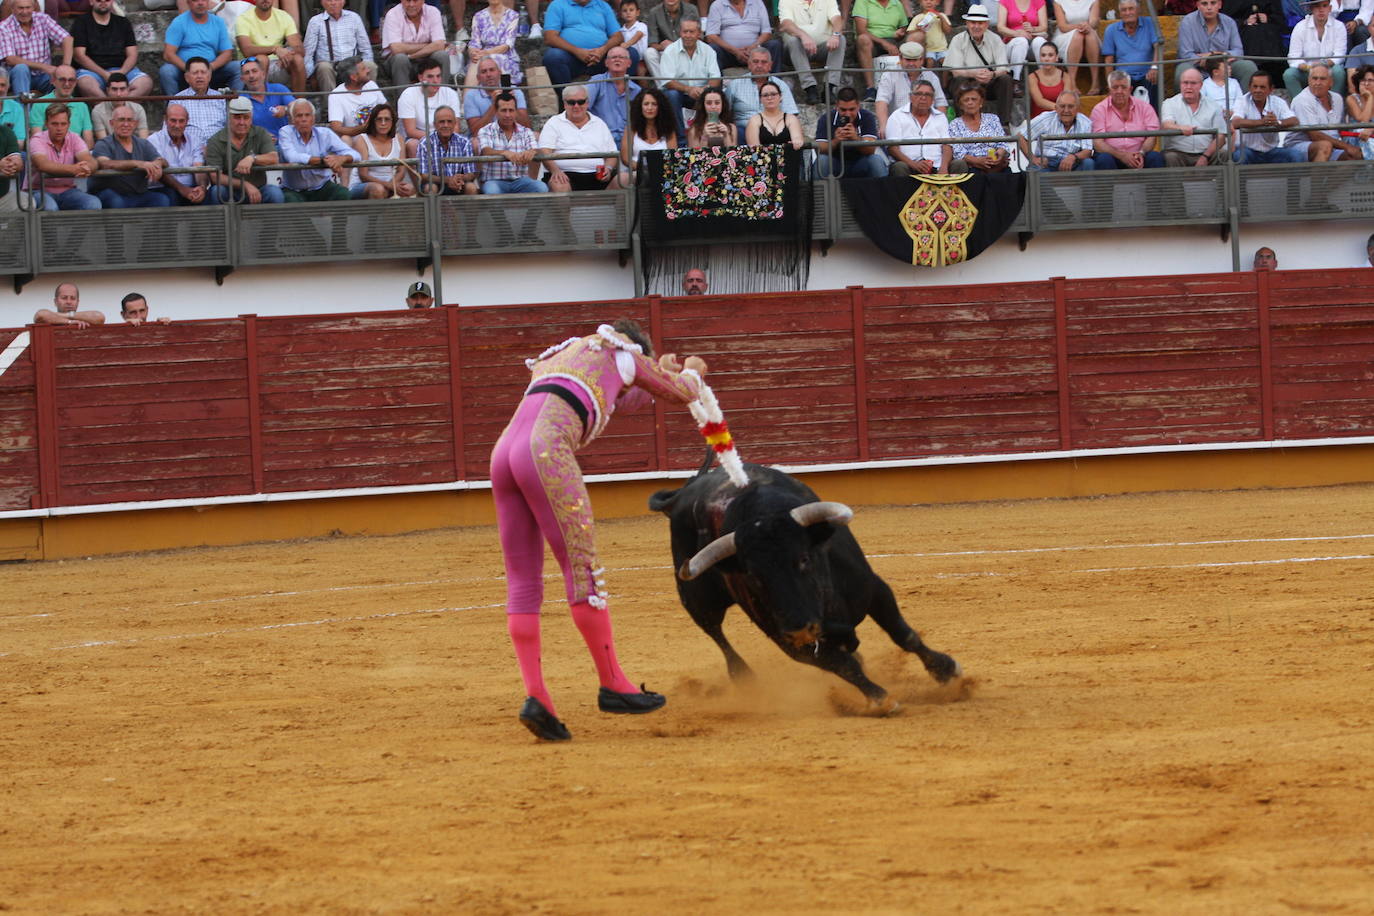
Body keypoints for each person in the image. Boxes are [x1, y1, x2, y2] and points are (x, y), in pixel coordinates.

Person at [490, 319, 706, 741]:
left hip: (503, 456)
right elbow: (682, 393)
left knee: (522, 581)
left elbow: (622, 398)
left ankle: (537, 698)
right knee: (581, 568)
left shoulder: (563, 354)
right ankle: (612, 683)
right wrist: (693, 371)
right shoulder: (624, 353)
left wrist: (658, 368)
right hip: (545, 452)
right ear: (637, 349)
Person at [542, 0, 629, 99]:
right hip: (571, 58)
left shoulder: (602, 5)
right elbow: (550, 37)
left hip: (601, 58)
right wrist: (577, 51)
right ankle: (568, 101)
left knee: (630, 54)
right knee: (553, 56)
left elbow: (618, 36)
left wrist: (602, 50)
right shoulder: (558, 4)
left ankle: (622, 98)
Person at [277, 96, 358, 201]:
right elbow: (291, 157)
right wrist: (322, 161)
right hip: (294, 190)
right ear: (292, 120)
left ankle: (338, 219)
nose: (304, 119)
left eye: (307, 115)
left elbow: (356, 155)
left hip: (322, 187)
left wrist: (341, 158)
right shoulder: (285, 131)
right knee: (290, 200)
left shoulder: (325, 133)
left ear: (313, 119)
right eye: (299, 116)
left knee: (343, 194)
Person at [538, 82, 617, 189]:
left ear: (587, 103)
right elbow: (544, 151)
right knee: (559, 183)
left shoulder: (599, 123)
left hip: (597, 176)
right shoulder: (553, 122)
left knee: (624, 180)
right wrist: (555, 171)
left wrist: (608, 168)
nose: (576, 106)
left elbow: (612, 153)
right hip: (564, 175)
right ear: (564, 104)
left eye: (581, 102)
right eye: (571, 102)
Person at [205, 94, 283, 203]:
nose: (242, 122)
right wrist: (245, 185)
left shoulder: (260, 133)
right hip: (230, 190)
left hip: (258, 189)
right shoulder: (215, 140)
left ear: (251, 118)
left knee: (274, 193)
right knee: (216, 191)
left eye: (246, 117)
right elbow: (215, 177)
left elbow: (273, 158)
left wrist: (252, 158)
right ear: (228, 117)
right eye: (237, 117)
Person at [89, 102, 168, 208]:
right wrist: (138, 164)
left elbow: (163, 161)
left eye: (130, 120)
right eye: (121, 120)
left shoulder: (143, 143)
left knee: (162, 200)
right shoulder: (103, 143)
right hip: (110, 193)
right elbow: (105, 164)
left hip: (137, 194)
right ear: (112, 123)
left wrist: (157, 164)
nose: (126, 124)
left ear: (135, 124)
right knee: (116, 201)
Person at [26, 102, 101, 209]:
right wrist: (74, 169)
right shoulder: (37, 139)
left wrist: (87, 168)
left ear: (69, 124)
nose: (59, 128)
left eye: (63, 124)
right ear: (46, 124)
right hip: (39, 190)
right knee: (50, 208)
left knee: (93, 203)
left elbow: (90, 160)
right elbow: (43, 165)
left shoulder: (74, 137)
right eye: (55, 124)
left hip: (68, 190)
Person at [947, 4, 1013, 124]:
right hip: (967, 81)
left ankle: (1004, 124)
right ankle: (962, 124)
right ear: (967, 23)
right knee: (958, 81)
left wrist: (992, 74)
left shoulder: (995, 39)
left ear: (986, 24)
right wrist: (974, 73)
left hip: (988, 81)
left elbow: (1003, 68)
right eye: (973, 22)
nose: (976, 26)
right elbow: (955, 71)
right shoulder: (958, 39)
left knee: (1005, 79)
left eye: (980, 23)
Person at [161, 0, 242, 95]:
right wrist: (189, 69)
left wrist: (210, 67)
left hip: (212, 69)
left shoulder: (218, 22)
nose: (200, 3)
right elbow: (168, 54)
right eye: (195, 0)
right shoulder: (179, 22)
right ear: (188, 3)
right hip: (184, 70)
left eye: (203, 0)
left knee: (239, 67)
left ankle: (235, 105)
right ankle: (172, 106)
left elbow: (227, 53)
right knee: (166, 71)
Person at [71, 0, 150, 98]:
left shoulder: (123, 22)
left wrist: (121, 73)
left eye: (107, 0)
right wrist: (105, 74)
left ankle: (122, 110)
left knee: (145, 83)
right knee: (86, 84)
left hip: (121, 69)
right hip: (91, 71)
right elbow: (79, 55)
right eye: (99, 0)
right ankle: (109, 110)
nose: (103, 2)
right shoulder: (81, 22)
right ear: (91, 1)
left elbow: (132, 54)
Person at [658, 17, 721, 138]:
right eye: (685, 31)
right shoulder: (670, 51)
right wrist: (688, 89)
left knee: (715, 94)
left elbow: (716, 78)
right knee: (672, 95)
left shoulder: (708, 51)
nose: (688, 35)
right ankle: (680, 139)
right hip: (680, 93)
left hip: (702, 92)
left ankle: (714, 135)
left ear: (699, 33)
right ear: (680, 32)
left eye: (691, 32)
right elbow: (667, 81)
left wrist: (704, 89)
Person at [1284, 63, 1362, 159]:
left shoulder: (1337, 99)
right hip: (1300, 145)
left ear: (1331, 82)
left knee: (1356, 155)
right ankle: (1317, 174)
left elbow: (1341, 129)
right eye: (1314, 78)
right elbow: (1315, 135)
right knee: (1325, 146)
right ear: (1309, 80)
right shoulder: (1301, 100)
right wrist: (1347, 147)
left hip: (1332, 144)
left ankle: (1332, 175)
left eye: (1322, 79)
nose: (1318, 83)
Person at [1090, 68, 1164, 168]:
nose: (1119, 91)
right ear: (1109, 90)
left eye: (1123, 87)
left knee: (1155, 157)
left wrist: (1141, 153)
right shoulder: (1099, 110)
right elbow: (1098, 143)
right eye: (1115, 87)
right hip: (1113, 156)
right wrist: (1122, 156)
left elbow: (1152, 136)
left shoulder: (1145, 107)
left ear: (1130, 89)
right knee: (1103, 159)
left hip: (1139, 155)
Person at [1178, 0, 1257, 92]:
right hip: (1198, 67)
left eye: (1213, 3)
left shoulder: (1229, 22)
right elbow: (1185, 55)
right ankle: (1187, 105)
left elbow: (1239, 52)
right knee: (1183, 69)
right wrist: (1210, 60)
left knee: (1248, 67)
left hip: (1225, 66)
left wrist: (1215, 55)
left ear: (1220, 4)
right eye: (1204, 4)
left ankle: (1243, 104)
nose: (1209, 7)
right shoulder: (1188, 22)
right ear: (1198, 5)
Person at [0, 0, 71, 98]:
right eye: (20, 8)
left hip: (43, 76)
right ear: (13, 9)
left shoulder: (43, 19)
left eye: (28, 7)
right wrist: (44, 67)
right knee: (21, 68)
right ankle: (24, 110)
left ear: (33, 8)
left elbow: (66, 38)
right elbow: (10, 59)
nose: (25, 12)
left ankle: (56, 109)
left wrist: (66, 66)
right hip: (17, 77)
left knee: (62, 76)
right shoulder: (4, 27)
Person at [777, 0, 844, 104]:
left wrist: (835, 35)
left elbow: (837, 18)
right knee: (793, 41)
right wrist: (803, 36)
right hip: (796, 51)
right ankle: (810, 88)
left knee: (841, 39)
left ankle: (829, 88)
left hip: (821, 48)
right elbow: (786, 24)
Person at [477, 90, 543, 193]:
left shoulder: (526, 131)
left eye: (511, 110)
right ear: (496, 111)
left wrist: (532, 152)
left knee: (541, 188)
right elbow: (486, 151)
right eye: (503, 110)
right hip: (494, 181)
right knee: (492, 191)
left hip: (520, 181)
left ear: (516, 112)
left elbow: (536, 150)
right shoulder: (485, 130)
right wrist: (504, 153)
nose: (508, 115)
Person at [1231, 69, 1304, 162]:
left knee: (1296, 156)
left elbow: (1294, 120)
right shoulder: (1242, 101)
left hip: (1272, 151)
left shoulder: (1278, 102)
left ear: (1271, 89)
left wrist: (1277, 122)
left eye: (1262, 87)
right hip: (1248, 151)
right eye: (1255, 87)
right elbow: (1235, 122)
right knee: (1239, 156)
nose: (1258, 90)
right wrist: (1262, 122)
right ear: (1249, 88)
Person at [814, 85, 885, 177]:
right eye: (843, 110)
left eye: (852, 109)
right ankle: (818, 192)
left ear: (858, 106)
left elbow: (871, 150)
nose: (848, 114)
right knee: (822, 161)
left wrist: (855, 138)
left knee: (876, 160)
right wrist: (835, 141)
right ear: (836, 107)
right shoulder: (826, 118)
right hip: (835, 162)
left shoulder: (867, 117)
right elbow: (819, 150)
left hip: (860, 163)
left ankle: (883, 191)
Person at [874, 40, 945, 133]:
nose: (911, 64)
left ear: (921, 60)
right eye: (908, 60)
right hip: (897, 126)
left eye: (914, 60)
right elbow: (881, 102)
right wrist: (884, 125)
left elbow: (940, 104)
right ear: (900, 58)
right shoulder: (889, 75)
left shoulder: (931, 76)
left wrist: (939, 126)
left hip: (926, 126)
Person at [1161, 68, 1226, 166]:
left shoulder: (1213, 105)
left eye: (1193, 83)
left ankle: (1219, 182)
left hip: (1206, 152)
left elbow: (1221, 136)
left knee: (1223, 154)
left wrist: (1205, 156)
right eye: (1185, 83)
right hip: (1179, 153)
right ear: (1180, 85)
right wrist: (1181, 128)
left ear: (1201, 85)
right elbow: (1166, 124)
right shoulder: (1169, 103)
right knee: (1170, 157)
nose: (1188, 87)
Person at [303, 0, 371, 93]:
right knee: (324, 67)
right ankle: (330, 104)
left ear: (343, 2)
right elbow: (308, 52)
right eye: (329, 0)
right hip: (330, 64)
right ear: (322, 2)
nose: (333, 3)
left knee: (370, 66)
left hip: (352, 63)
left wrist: (365, 65)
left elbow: (365, 48)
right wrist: (310, 75)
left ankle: (368, 101)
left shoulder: (354, 18)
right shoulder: (315, 21)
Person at [235, 0, 305, 91]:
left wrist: (286, 54)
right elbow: (246, 50)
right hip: (251, 66)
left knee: (297, 59)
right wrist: (275, 49)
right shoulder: (244, 18)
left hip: (278, 64)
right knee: (262, 59)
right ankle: (261, 101)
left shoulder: (283, 16)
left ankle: (298, 102)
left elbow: (299, 48)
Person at [349, 102, 415, 198]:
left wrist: (393, 184)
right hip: (363, 185)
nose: (383, 123)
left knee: (410, 189)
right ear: (373, 121)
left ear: (392, 122)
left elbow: (401, 171)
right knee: (378, 190)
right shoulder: (362, 139)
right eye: (379, 119)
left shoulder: (399, 138)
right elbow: (363, 175)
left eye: (387, 119)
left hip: (390, 183)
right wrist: (389, 185)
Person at [726, 46, 798, 133]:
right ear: (749, 64)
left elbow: (791, 114)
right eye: (755, 62)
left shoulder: (781, 85)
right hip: (743, 130)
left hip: (773, 131)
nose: (759, 65)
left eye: (764, 62)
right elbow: (725, 113)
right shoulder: (735, 85)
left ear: (770, 65)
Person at [1019, 88, 1094, 170]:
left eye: (1070, 106)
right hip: (1047, 163)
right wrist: (1033, 159)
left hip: (1072, 163)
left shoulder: (1085, 122)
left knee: (1088, 163)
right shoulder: (1045, 118)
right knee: (1035, 169)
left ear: (1078, 109)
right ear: (1056, 108)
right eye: (1062, 106)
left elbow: (1087, 151)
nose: (1066, 110)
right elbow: (1020, 137)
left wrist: (1073, 157)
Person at [398, 56, 459, 156]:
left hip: (445, 134)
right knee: (413, 145)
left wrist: (443, 138)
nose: (436, 81)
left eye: (438, 76)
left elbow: (456, 126)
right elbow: (411, 131)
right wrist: (437, 139)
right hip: (417, 137)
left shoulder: (450, 93)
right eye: (430, 77)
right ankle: (419, 172)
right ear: (421, 78)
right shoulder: (408, 94)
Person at [148, 102, 208, 205]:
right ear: (165, 120)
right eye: (173, 121)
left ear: (187, 122)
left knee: (208, 196)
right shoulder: (154, 140)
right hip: (164, 188)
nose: (177, 125)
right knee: (171, 195)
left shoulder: (195, 140)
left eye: (181, 121)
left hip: (190, 189)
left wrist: (202, 188)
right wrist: (183, 190)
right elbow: (160, 173)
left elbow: (199, 169)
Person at [1101, 0, 1159, 105]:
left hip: (1147, 74)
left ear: (1138, 10)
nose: (1128, 13)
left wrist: (1154, 67)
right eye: (1124, 10)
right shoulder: (1111, 30)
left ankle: (1153, 119)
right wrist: (1110, 84)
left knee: (1153, 81)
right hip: (1124, 77)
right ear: (1119, 13)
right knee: (1120, 87)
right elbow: (1109, 60)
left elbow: (1158, 47)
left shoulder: (1150, 23)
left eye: (1131, 8)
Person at [885, 80, 949, 174]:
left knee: (959, 165)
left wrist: (944, 167)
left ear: (933, 99)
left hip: (936, 166)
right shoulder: (897, 116)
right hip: (908, 166)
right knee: (899, 167)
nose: (923, 98)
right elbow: (892, 148)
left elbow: (947, 145)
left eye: (928, 95)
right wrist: (914, 164)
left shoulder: (941, 117)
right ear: (910, 97)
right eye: (918, 94)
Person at [1285, 0, 1346, 97]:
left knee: (1338, 71)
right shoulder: (1300, 27)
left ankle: (1334, 105)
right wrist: (1308, 68)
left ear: (1330, 8)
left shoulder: (1339, 26)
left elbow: (1340, 56)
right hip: (1307, 70)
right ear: (1311, 9)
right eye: (1317, 7)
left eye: (1324, 6)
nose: (1321, 10)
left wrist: (1323, 65)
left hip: (1329, 70)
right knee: (1289, 74)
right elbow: (1293, 57)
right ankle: (1301, 107)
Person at [852, 0, 911, 99]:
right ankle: (870, 89)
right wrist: (884, 43)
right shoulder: (862, 2)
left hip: (892, 40)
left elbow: (903, 26)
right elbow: (861, 30)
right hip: (871, 40)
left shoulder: (896, 3)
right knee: (863, 39)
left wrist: (901, 33)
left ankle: (906, 88)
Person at [381, 0, 447, 86]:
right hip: (397, 62)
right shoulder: (392, 14)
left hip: (424, 59)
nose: (411, 4)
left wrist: (411, 56)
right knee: (400, 59)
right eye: (408, 0)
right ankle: (404, 98)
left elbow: (440, 45)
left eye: (415, 0)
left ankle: (443, 95)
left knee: (442, 56)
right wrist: (429, 45)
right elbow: (396, 49)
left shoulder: (433, 12)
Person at [947, 83, 1010, 172]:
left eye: (974, 99)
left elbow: (1003, 143)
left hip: (995, 165)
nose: (970, 102)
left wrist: (999, 154)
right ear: (960, 105)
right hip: (971, 167)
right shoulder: (955, 124)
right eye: (966, 100)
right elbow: (958, 152)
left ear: (980, 103)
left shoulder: (993, 119)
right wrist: (978, 161)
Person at [704, 0, 780, 74]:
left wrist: (753, 47)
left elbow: (767, 32)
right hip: (728, 52)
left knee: (774, 45)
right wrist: (735, 51)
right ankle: (716, 85)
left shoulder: (757, 3)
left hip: (755, 51)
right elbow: (711, 36)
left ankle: (774, 83)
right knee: (713, 48)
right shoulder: (717, 5)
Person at [416, 104, 477, 195]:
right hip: (436, 184)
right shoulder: (425, 143)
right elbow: (424, 176)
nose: (446, 125)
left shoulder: (464, 142)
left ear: (454, 124)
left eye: (449, 121)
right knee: (431, 187)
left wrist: (458, 179)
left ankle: (469, 210)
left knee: (471, 187)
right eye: (441, 122)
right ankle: (433, 210)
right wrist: (448, 180)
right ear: (435, 124)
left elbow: (471, 173)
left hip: (459, 184)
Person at [620, 86, 677, 183]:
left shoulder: (669, 130)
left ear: (660, 107)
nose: (650, 108)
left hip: (662, 173)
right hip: (636, 172)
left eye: (654, 104)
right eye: (646, 104)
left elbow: (672, 157)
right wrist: (645, 169)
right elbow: (625, 158)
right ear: (640, 106)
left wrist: (657, 171)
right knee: (622, 178)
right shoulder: (631, 128)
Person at [463, 56, 530, 136]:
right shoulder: (471, 96)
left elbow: (526, 127)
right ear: (478, 78)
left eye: (492, 70)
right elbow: (475, 132)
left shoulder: (515, 91)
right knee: (475, 143)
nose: (488, 74)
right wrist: (494, 105)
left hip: (512, 135)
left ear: (499, 73)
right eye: (484, 72)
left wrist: (512, 104)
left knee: (536, 136)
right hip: (486, 137)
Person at [27, 64, 92, 147]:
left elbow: (88, 142)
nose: (67, 84)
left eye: (71, 80)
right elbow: (37, 139)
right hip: (48, 153)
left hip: (76, 154)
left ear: (75, 83)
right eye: (62, 80)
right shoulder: (40, 103)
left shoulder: (82, 106)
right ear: (53, 81)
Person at [584, 45, 639, 143]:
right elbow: (583, 108)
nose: (617, 59)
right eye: (613, 57)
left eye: (621, 57)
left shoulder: (637, 90)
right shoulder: (596, 82)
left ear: (629, 63)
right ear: (606, 63)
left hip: (629, 140)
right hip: (601, 139)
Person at [1224, 0, 1286, 86]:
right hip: (1243, 34)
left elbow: (1280, 20)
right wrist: (1244, 22)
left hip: (1269, 35)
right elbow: (1226, 20)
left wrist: (1268, 18)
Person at [466, 0, 522, 89]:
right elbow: (474, 42)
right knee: (475, 61)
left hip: (505, 55)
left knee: (485, 61)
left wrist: (486, 53)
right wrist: (473, 53)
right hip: (483, 55)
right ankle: (467, 100)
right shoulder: (478, 16)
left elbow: (507, 45)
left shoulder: (513, 16)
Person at [1051, 0, 1102, 95]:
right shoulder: (1058, 1)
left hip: (1088, 31)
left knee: (1090, 35)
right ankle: (1072, 83)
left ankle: (1096, 82)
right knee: (1078, 35)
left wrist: (1088, 26)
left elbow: (1094, 22)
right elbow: (1063, 26)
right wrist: (1079, 27)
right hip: (1065, 34)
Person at [173, 57, 229, 140]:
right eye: (195, 73)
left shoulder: (221, 99)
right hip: (189, 148)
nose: (199, 76)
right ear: (187, 77)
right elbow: (171, 130)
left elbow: (229, 127)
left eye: (203, 72)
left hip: (218, 149)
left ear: (209, 76)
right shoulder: (177, 100)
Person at [326, 57, 382, 138]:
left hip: (378, 135)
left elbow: (387, 108)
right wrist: (362, 128)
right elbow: (336, 128)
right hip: (355, 139)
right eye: (363, 69)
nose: (368, 70)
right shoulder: (336, 95)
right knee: (345, 139)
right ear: (354, 77)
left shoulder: (371, 85)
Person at [239, 55, 292, 135]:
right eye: (247, 73)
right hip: (257, 145)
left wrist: (286, 110)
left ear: (263, 74)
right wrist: (261, 139)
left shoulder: (278, 89)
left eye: (254, 71)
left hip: (285, 143)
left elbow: (299, 107)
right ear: (242, 79)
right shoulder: (241, 100)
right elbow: (239, 129)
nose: (251, 76)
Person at [643, 0, 699, 78]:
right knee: (649, 53)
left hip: (686, 48)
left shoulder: (691, 9)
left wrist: (675, 46)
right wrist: (663, 47)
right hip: (665, 51)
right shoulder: (654, 12)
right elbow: (652, 42)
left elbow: (697, 36)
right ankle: (663, 85)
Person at [996, 0, 1048, 83]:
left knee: (1040, 41)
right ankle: (1015, 80)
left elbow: (1044, 27)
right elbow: (1000, 27)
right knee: (1021, 41)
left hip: (1032, 41)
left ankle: (1046, 78)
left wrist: (1033, 29)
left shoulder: (1039, 1)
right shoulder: (1005, 1)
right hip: (1012, 43)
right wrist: (1017, 33)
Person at [745, 79, 803, 148]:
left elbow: (797, 139)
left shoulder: (791, 119)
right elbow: (754, 147)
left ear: (780, 97)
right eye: (765, 95)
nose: (769, 98)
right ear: (760, 99)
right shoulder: (754, 120)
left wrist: (797, 142)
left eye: (773, 94)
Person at [90, 71, 147, 139]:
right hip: (109, 148)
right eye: (114, 89)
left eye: (122, 89)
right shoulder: (98, 111)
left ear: (128, 90)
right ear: (108, 90)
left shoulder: (138, 109)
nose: (118, 94)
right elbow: (103, 141)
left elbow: (144, 139)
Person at [34, 282, 104, 327]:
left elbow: (99, 317)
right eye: (64, 298)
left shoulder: (86, 319)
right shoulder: (46, 318)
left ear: (78, 302)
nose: (69, 301)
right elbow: (41, 315)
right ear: (56, 301)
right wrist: (70, 322)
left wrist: (64, 315)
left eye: (73, 298)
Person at [906, 0, 951, 66]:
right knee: (930, 61)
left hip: (942, 48)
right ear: (920, 2)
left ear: (937, 2)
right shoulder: (918, 17)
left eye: (932, 0)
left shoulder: (942, 15)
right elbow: (909, 32)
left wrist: (941, 18)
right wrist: (918, 29)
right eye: (925, 0)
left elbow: (948, 31)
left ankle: (944, 77)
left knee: (946, 63)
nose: (928, 2)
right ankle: (928, 76)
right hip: (927, 49)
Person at [1027, 41, 1065, 117]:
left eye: (1050, 55)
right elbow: (1039, 101)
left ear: (1057, 57)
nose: (1046, 59)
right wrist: (1062, 109)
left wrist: (1063, 110)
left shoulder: (1065, 76)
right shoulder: (1032, 77)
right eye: (1043, 55)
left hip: (1060, 118)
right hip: (1040, 121)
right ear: (1040, 58)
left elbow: (1067, 99)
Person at [1346, 64, 1374, 158]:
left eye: (1370, 80)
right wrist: (1370, 98)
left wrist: (1371, 129)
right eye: (1363, 80)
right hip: (1357, 137)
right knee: (1364, 134)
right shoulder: (1352, 99)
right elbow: (1363, 122)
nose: (1366, 84)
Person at [618, 0, 648, 69]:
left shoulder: (641, 25)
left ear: (637, 12)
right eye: (625, 11)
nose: (628, 13)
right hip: (627, 59)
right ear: (621, 14)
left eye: (631, 10)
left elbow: (638, 36)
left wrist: (626, 44)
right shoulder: (621, 30)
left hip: (641, 60)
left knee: (640, 71)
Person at [0, 120, 21, 211]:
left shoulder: (6, 131)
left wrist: (13, 164)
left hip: (2, 196)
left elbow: (17, 160)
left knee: (26, 202)